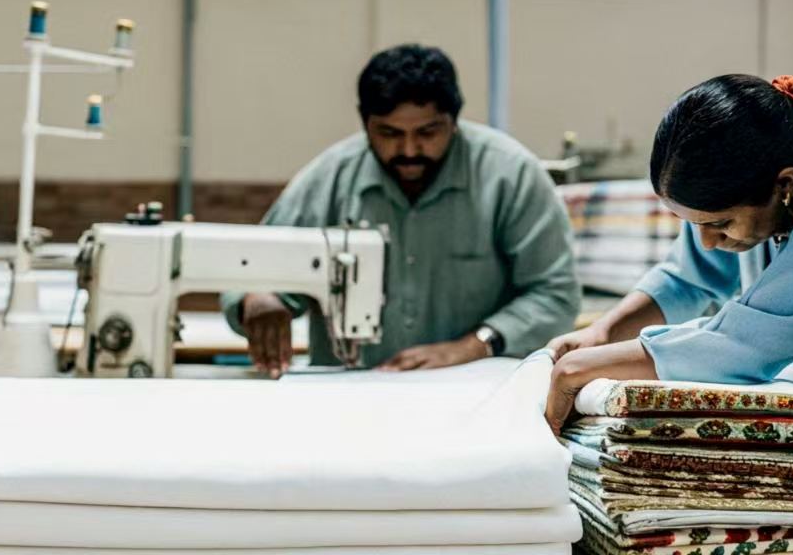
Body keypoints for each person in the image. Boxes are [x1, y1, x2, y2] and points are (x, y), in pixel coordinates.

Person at [544, 74, 793, 432]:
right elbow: (686, 279)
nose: (707, 241)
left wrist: (578, 369)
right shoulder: (773, 153)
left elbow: (746, 346)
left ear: (786, 185)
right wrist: (602, 334)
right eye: (692, 223)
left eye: (720, 223)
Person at [222, 44, 579, 378]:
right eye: (389, 133)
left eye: (428, 132)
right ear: (366, 125)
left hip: (475, 389)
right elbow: (252, 269)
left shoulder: (510, 176)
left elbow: (555, 294)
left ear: (453, 121)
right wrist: (257, 300)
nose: (409, 149)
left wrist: (474, 346)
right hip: (348, 392)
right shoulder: (329, 179)